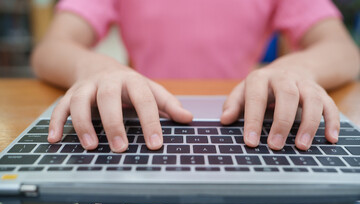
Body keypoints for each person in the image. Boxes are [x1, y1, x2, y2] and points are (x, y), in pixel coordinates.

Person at [31, 0, 360, 153]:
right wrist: (97, 68)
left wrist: (297, 68)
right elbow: (51, 48)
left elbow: (343, 50)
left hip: (239, 131)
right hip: (138, 130)